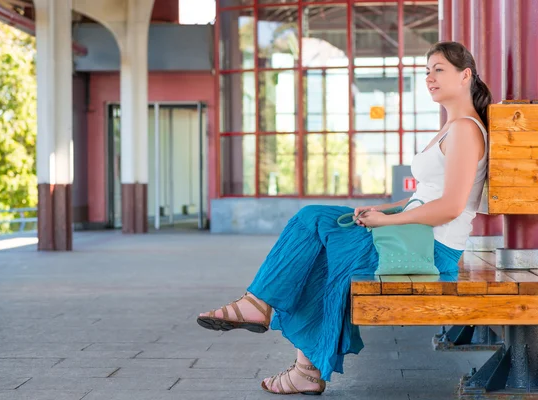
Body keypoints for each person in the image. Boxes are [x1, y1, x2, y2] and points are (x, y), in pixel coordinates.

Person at [197, 41, 493, 395]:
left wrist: (385, 222)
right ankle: (298, 362)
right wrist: (384, 209)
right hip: (413, 236)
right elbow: (426, 193)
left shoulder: (465, 130)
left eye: (439, 69)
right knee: (317, 244)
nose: (429, 78)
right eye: (426, 70)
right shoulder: (453, 126)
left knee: (313, 221)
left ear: (465, 76)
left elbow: (451, 207)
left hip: (429, 249)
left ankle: (262, 311)